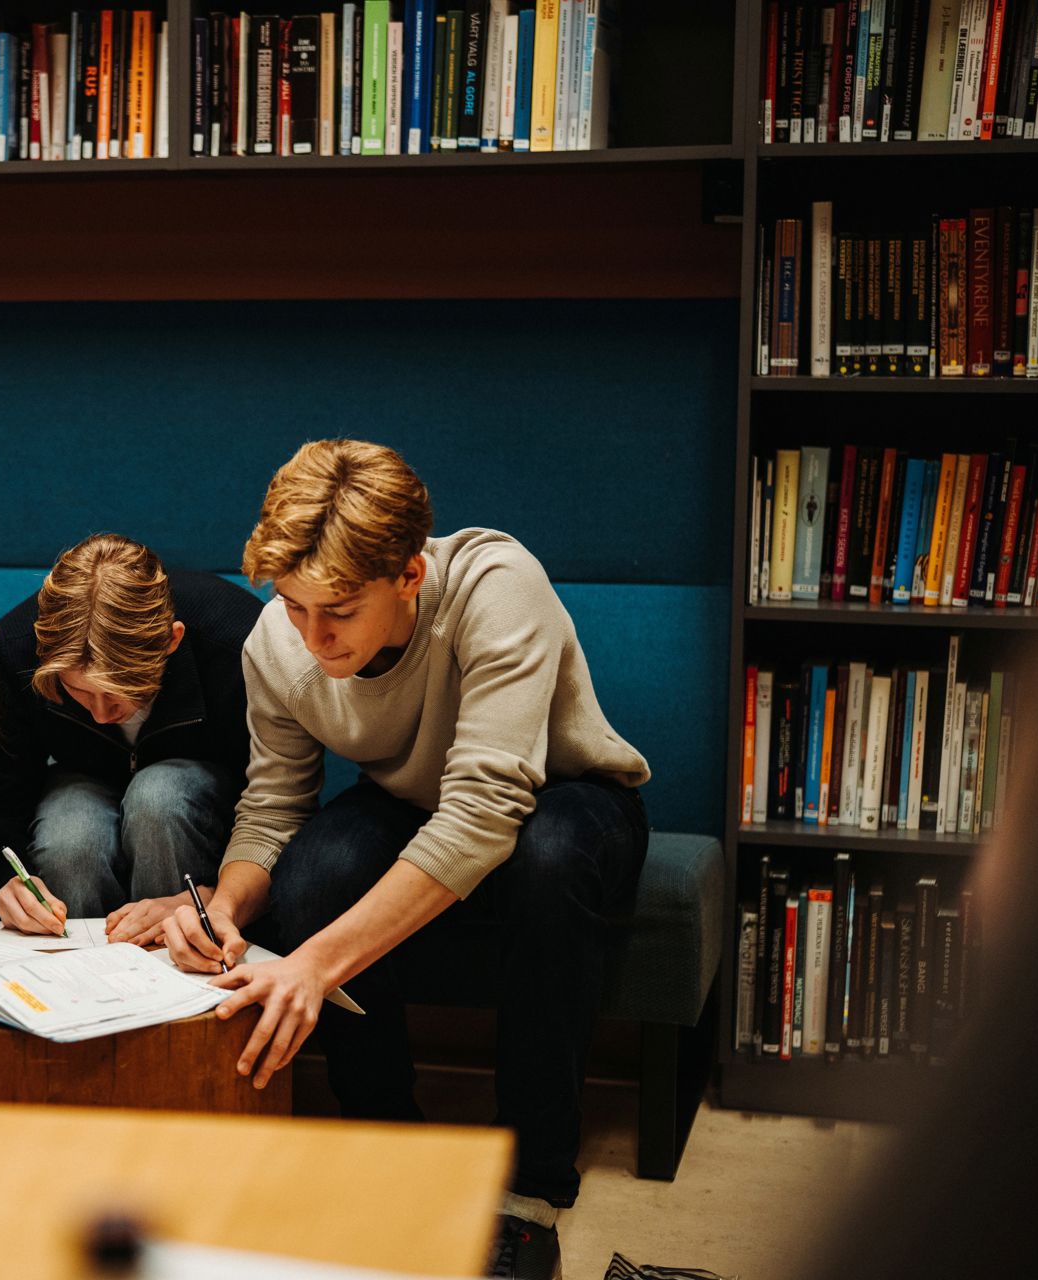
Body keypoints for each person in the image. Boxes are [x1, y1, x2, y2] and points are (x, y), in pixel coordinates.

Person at [161, 440, 651, 1280]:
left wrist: (311, 966)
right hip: (417, 802)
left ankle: (531, 1190)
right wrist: (224, 906)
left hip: (568, 802)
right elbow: (273, 805)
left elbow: (487, 812)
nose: (313, 637)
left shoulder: (500, 586)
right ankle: (386, 1145)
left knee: (549, 852)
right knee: (313, 869)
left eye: (340, 611)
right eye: (292, 605)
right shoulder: (277, 642)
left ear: (409, 577)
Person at [0, 533, 263, 938]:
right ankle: (82, 982)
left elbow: (276, 801)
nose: (99, 713)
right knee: (70, 836)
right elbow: (1, 795)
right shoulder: (16, 646)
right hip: (79, 781)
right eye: (77, 692)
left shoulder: (235, 639)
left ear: (172, 640)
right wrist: (6, 881)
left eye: (123, 692)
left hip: (202, 810)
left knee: (159, 796)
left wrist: (215, 898)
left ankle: (186, 955)